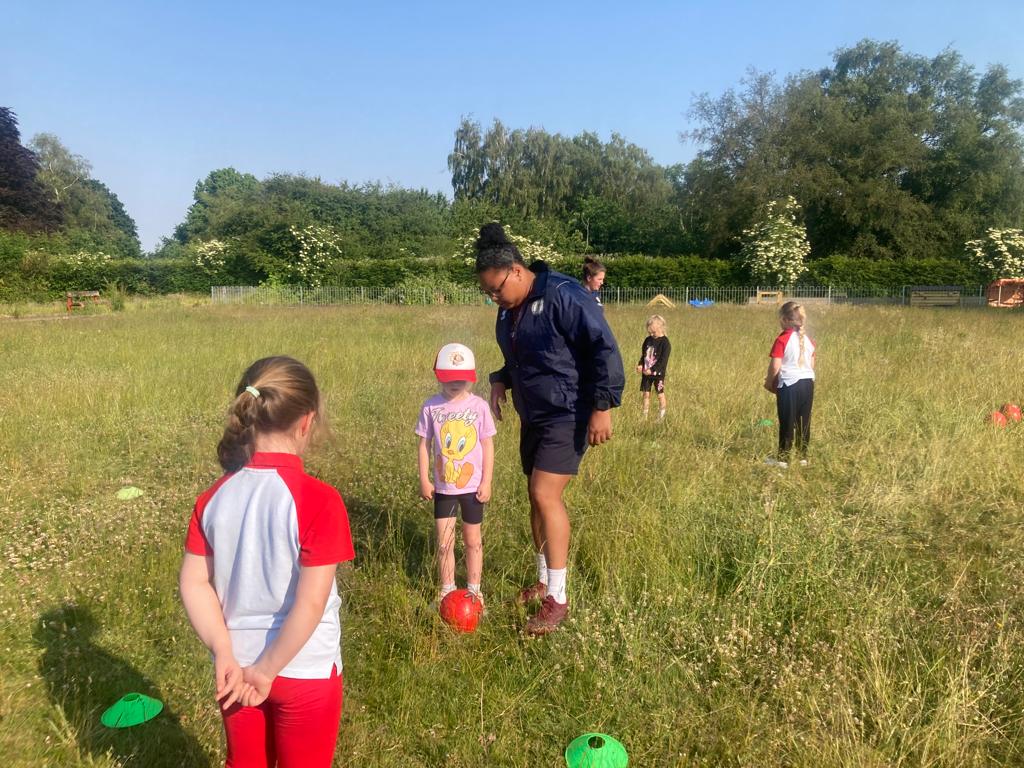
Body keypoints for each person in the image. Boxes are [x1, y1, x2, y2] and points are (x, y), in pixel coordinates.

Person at [180, 356, 354, 768]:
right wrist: (268, 668)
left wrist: (223, 649)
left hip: (234, 669)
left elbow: (194, 583)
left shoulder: (212, 499)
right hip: (304, 669)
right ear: (306, 422)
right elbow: (310, 603)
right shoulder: (320, 500)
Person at [475, 223, 625, 635]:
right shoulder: (510, 309)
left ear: (517, 271)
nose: (494, 298)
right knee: (533, 497)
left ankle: (558, 598)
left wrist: (603, 406)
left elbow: (603, 348)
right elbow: (525, 354)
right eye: (488, 293)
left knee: (546, 493)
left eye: (496, 289)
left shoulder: (564, 294)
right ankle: (543, 581)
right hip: (534, 414)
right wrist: (501, 378)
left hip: (569, 411)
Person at [415, 342, 496, 608]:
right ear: (438, 375)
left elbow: (487, 445)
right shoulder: (431, 407)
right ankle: (446, 590)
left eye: (461, 379)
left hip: (473, 489)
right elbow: (424, 445)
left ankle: (475, 591)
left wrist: (486, 481)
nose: (455, 384)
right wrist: (425, 479)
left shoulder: (480, 406)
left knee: (473, 541)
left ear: (471, 378)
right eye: (449, 378)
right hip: (443, 489)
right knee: (444, 543)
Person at [763, 301, 816, 467]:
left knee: (787, 421)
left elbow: (776, 365)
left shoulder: (782, 339)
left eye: (780, 319)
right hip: (808, 383)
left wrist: (769, 381)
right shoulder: (808, 340)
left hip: (789, 385)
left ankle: (783, 460)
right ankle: (802, 458)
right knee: (803, 421)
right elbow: (812, 363)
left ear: (785, 320)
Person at [637, 314, 671, 420]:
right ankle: (644, 416)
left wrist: (652, 370)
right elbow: (644, 355)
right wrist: (641, 364)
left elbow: (662, 361)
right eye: (649, 332)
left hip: (658, 375)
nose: (651, 334)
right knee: (646, 394)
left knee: (660, 395)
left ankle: (661, 417)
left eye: (654, 332)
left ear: (661, 328)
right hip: (646, 373)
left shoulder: (665, 343)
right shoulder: (648, 340)